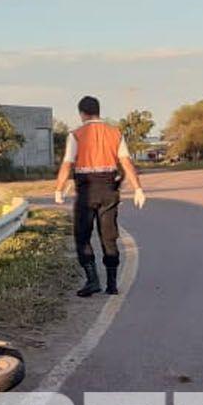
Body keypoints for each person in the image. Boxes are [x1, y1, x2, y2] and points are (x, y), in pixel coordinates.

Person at [53, 95, 145, 296]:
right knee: (109, 237)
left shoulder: (76, 134)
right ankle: (112, 284)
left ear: (82, 113)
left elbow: (67, 163)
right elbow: (126, 162)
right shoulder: (115, 133)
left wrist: (59, 189)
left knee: (82, 236)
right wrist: (138, 188)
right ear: (98, 111)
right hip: (109, 189)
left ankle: (92, 280)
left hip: (86, 191)